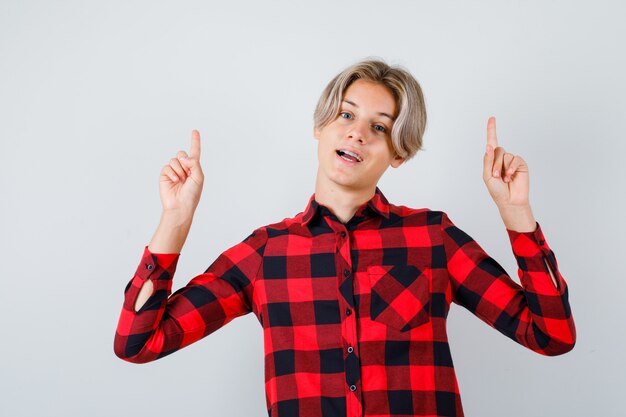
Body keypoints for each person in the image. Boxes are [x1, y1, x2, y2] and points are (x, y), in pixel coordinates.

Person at [114, 59, 576, 417]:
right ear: (319, 128)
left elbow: (551, 336)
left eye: (379, 126)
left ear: (398, 153)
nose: (357, 132)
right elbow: (138, 343)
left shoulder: (434, 238)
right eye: (346, 115)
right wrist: (176, 218)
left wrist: (516, 213)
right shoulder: (265, 253)